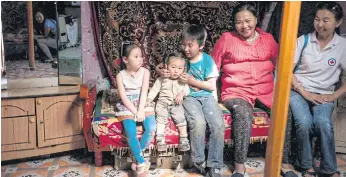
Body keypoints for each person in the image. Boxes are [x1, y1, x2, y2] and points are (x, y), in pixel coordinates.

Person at [211, 3, 296, 177]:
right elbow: (212, 67)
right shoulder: (227, 39)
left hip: (266, 90)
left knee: (284, 112)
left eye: (248, 21)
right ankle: (239, 166)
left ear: (256, 20)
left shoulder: (268, 39)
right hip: (237, 91)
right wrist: (212, 93)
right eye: (239, 22)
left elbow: (281, 63)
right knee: (242, 113)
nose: (244, 26)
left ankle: (284, 162)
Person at [290, 2, 346, 177]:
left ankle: (329, 169)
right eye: (317, 19)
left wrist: (333, 96)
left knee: (323, 123)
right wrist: (304, 91)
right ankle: (306, 166)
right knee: (304, 122)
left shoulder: (343, 46)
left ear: (338, 23)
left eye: (326, 20)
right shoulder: (303, 41)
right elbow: (287, 72)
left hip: (324, 94)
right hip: (298, 90)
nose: (320, 24)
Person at [167, 24, 225, 177]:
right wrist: (164, 70)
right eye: (183, 44)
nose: (186, 49)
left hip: (207, 96)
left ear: (201, 45)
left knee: (218, 125)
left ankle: (214, 164)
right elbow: (165, 66)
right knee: (198, 123)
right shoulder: (181, 59)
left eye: (190, 45)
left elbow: (211, 87)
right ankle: (199, 161)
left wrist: (192, 80)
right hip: (189, 96)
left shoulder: (208, 61)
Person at [115, 44, 156, 176]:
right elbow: (124, 97)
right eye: (136, 56)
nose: (140, 59)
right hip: (128, 105)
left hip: (142, 102)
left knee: (151, 128)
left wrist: (141, 110)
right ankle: (141, 162)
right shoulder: (120, 76)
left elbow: (144, 92)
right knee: (130, 131)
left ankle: (137, 157)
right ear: (126, 60)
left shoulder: (145, 72)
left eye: (141, 56)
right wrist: (134, 111)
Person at [146, 51, 190, 152]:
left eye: (179, 68)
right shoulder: (162, 79)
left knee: (180, 117)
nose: (176, 71)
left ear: (184, 69)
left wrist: (182, 94)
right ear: (166, 66)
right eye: (173, 67)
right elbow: (154, 90)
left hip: (176, 103)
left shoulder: (182, 80)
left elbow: (186, 89)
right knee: (161, 117)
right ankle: (160, 139)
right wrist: (149, 99)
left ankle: (184, 139)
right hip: (162, 103)